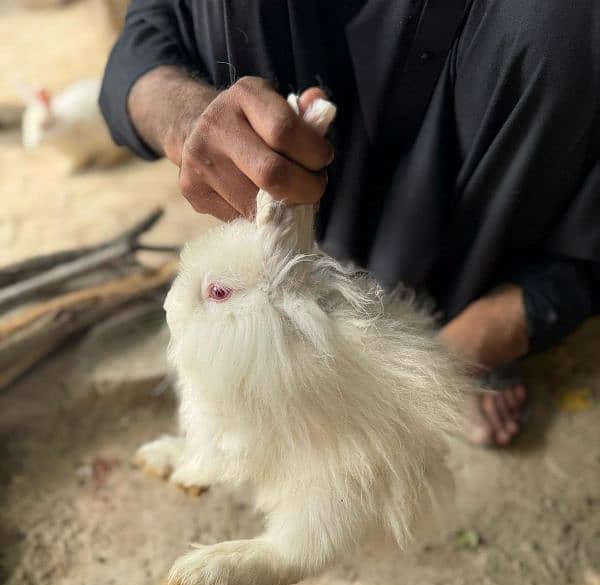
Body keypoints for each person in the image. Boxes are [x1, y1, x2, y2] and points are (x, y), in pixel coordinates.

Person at [100, 0, 600, 447]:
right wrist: (185, 117)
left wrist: (520, 312)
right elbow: (145, 38)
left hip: (495, 241)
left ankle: (480, 324)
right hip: (317, 213)